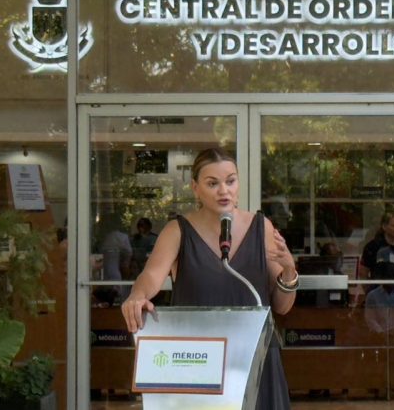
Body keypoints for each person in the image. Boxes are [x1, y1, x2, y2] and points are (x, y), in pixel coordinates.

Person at [121, 147, 298, 410]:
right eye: (212, 183)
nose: (224, 191)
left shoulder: (262, 228)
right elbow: (150, 276)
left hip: (255, 358)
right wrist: (137, 295)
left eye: (230, 181)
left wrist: (289, 271)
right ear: (195, 188)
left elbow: (282, 307)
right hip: (199, 361)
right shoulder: (177, 231)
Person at [359, 210, 394, 281]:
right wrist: (371, 288)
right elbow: (363, 274)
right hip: (379, 286)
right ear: (384, 226)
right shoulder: (372, 247)